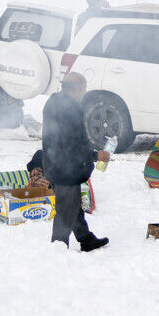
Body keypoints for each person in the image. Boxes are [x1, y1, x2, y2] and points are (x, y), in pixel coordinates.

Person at [42, 72, 109, 251]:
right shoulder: (69, 109)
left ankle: (86, 239)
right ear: (78, 88)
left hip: (54, 163)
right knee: (66, 211)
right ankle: (58, 248)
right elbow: (73, 143)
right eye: (83, 88)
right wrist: (95, 155)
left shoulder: (53, 102)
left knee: (72, 205)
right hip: (66, 169)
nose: (84, 92)